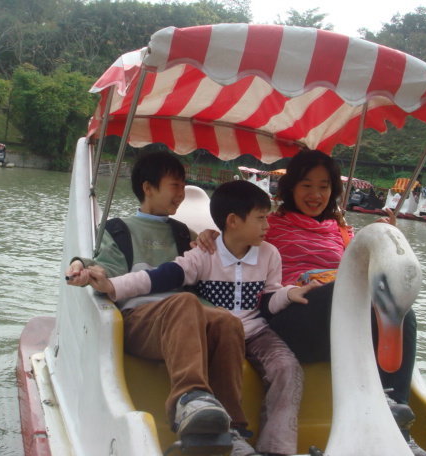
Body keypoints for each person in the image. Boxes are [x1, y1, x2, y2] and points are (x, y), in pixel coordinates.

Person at [90, 180, 320, 456]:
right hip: (218, 331)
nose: (267, 226)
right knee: (221, 323)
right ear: (233, 221)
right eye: (260, 218)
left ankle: (276, 448)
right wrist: (113, 286)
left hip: (256, 331)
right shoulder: (204, 254)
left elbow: (269, 298)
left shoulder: (269, 254)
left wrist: (289, 294)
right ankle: (229, 430)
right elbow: (161, 276)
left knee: (287, 367)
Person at [65, 152, 254, 455]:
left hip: (184, 316)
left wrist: (213, 238)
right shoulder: (119, 230)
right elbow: (103, 268)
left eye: (183, 186)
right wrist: (82, 266)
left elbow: (211, 264)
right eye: (174, 185)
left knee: (227, 322)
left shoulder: (182, 233)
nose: (181, 194)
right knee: (183, 302)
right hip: (140, 321)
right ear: (148, 187)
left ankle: (233, 428)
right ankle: (189, 398)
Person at [263, 150, 426, 456]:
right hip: (293, 319)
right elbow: (233, 246)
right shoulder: (267, 226)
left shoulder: (340, 230)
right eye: (306, 185)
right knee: (341, 294)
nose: (315, 195)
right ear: (291, 187)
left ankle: (397, 418)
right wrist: (207, 237)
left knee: (399, 310)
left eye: (323, 186)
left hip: (341, 321)